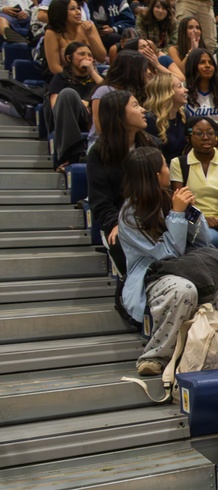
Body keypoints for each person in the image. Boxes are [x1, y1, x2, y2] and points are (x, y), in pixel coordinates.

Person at [118, 146, 218, 376]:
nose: (169, 168)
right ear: (156, 175)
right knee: (184, 290)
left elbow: (204, 241)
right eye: (165, 165)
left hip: (191, 266)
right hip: (154, 272)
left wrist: (192, 213)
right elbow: (166, 256)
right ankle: (156, 355)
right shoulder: (130, 214)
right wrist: (177, 215)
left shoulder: (170, 198)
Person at [170, 116, 218, 294]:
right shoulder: (179, 163)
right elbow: (180, 201)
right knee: (213, 239)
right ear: (189, 137)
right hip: (196, 221)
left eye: (210, 133)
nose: (205, 137)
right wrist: (202, 218)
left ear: (216, 137)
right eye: (199, 133)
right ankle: (216, 290)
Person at [87, 90, 152, 284]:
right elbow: (100, 201)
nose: (143, 110)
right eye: (135, 105)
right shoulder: (98, 153)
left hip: (151, 217)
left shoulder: (151, 146)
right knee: (122, 244)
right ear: (119, 115)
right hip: (119, 221)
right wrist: (117, 224)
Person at [47, 41, 102, 170]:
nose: (87, 58)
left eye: (90, 55)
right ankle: (71, 155)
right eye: (82, 54)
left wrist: (93, 72)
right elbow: (56, 107)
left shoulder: (96, 79)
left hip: (94, 118)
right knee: (68, 94)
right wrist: (78, 103)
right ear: (69, 58)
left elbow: (109, 91)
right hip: (69, 118)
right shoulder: (60, 78)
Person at [43, 0, 107, 76]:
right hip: (65, 78)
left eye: (78, 8)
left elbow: (102, 58)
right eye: (72, 9)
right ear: (61, 12)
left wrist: (90, 36)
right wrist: (76, 78)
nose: (78, 12)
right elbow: (54, 67)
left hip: (91, 75)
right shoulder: (52, 33)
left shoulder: (88, 27)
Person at [144, 73, 187, 164]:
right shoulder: (150, 120)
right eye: (180, 86)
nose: (185, 90)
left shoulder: (183, 114)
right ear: (167, 92)